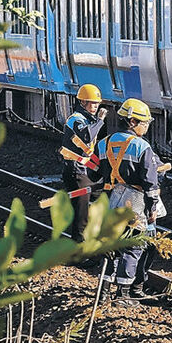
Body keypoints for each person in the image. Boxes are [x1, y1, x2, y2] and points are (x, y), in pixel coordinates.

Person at [90, 98, 161, 307]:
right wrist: (153, 207)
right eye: (144, 122)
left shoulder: (103, 143)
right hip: (134, 203)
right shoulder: (142, 147)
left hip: (109, 201)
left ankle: (102, 294)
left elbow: (93, 173)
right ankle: (123, 295)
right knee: (133, 247)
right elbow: (150, 183)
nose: (146, 127)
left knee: (109, 248)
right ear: (131, 122)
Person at [60, 84, 107, 243]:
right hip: (76, 172)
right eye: (91, 103)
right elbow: (86, 136)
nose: (95, 106)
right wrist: (100, 121)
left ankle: (93, 238)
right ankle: (78, 252)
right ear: (82, 102)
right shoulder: (76, 120)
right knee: (81, 214)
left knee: (101, 198)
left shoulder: (87, 119)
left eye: (97, 103)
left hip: (84, 171)